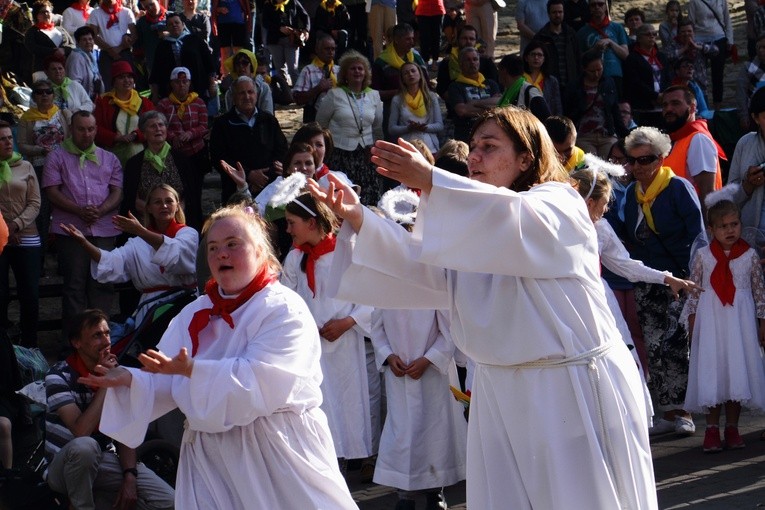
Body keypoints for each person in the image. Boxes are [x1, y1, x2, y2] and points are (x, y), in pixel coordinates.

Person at [309, 106, 658, 509]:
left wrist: (432, 181)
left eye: (489, 147)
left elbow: (513, 220)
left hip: (567, 390)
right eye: (473, 146)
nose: (474, 156)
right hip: (500, 393)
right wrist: (359, 218)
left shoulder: (559, 202)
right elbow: (426, 273)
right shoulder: (472, 227)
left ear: (527, 158)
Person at [80, 205, 359, 509]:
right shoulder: (195, 312)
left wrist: (194, 371)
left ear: (261, 251)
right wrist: (131, 378)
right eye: (213, 248)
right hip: (209, 455)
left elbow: (261, 382)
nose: (221, 254)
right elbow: (168, 376)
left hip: (274, 449)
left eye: (232, 244)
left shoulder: (283, 308)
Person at [370, 189, 467, 510]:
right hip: (400, 371)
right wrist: (387, 355)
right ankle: (403, 493)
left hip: (431, 372)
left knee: (433, 431)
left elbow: (449, 327)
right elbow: (377, 325)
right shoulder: (384, 279)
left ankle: (434, 487)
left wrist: (430, 358)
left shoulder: (433, 277)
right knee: (402, 432)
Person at [280, 192, 375, 473]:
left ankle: (353, 458)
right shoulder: (295, 258)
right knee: (323, 403)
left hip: (346, 342)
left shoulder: (348, 251)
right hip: (314, 345)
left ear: (311, 222)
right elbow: (287, 299)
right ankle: (329, 461)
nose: (287, 229)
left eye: (291, 222)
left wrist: (348, 322)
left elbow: (371, 293)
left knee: (348, 401)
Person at [44, 309, 175, 509]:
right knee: (85, 447)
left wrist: (129, 476)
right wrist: (106, 384)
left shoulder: (118, 373)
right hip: (64, 465)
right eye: (97, 336)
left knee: (169, 501)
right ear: (76, 343)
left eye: (107, 333)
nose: (106, 341)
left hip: (104, 460)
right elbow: (81, 431)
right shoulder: (58, 376)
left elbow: (125, 430)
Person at [621, 126, 704, 437]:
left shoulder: (678, 188)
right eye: (633, 160)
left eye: (646, 159)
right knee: (654, 344)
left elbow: (698, 235)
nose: (638, 166)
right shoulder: (630, 194)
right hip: (647, 279)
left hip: (678, 278)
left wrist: (690, 276)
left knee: (676, 343)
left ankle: (685, 411)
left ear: (661, 158)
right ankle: (668, 411)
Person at [681, 197, 765, 452]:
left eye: (734, 224)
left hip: (739, 323)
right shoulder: (703, 257)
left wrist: (762, 322)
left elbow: (759, 292)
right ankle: (711, 429)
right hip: (712, 322)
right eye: (723, 226)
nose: (730, 230)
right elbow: (693, 291)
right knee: (714, 372)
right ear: (712, 230)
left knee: (736, 372)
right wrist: (692, 321)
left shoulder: (749, 256)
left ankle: (732, 427)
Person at [60, 184, 197, 328]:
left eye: (169, 201)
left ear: (177, 205)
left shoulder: (188, 234)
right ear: (148, 208)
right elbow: (111, 261)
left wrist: (141, 231)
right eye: (157, 202)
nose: (164, 205)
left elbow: (177, 254)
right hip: (151, 309)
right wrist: (84, 242)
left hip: (184, 303)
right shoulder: (136, 243)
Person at [43, 111, 123, 327]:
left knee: (102, 284)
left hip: (104, 228)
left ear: (96, 129)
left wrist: (101, 210)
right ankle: (73, 344)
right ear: (71, 129)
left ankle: (101, 341)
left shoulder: (110, 158)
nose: (86, 134)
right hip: (70, 230)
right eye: (81, 129)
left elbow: (117, 191)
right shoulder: (57, 156)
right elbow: (52, 191)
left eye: (90, 129)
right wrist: (79, 210)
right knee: (74, 286)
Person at [316, 50, 384, 205]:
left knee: (368, 199)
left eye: (360, 68)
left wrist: (377, 151)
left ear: (366, 73)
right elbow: (320, 125)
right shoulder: (334, 95)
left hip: (366, 155)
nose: (357, 71)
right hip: (340, 154)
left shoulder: (374, 95)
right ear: (345, 73)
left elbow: (377, 128)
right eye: (352, 68)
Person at [210, 76, 288, 203]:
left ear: (256, 95)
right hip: (235, 191)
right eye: (242, 93)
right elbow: (218, 158)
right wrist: (248, 175)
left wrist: (264, 177)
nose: (247, 97)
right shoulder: (222, 124)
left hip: (269, 188)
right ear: (234, 97)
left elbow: (282, 151)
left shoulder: (269, 120)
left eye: (250, 92)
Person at [0, 121, 41, 348]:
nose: (8, 142)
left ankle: (30, 345)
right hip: (0, 237)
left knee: (30, 295)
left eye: (9, 137)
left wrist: (15, 225)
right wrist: (5, 228)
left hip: (26, 235)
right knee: (1, 293)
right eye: (2, 138)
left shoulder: (24, 166)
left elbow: (35, 202)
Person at [157, 67, 210, 230]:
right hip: (174, 155)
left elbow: (204, 126)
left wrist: (190, 134)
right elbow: (160, 125)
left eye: (185, 82)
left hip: (196, 153)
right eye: (178, 82)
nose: (181, 85)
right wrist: (174, 137)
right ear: (171, 84)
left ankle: (197, 225)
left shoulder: (198, 102)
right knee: (178, 191)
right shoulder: (164, 104)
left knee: (196, 192)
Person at [661, 85, 725, 218]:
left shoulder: (698, 139)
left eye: (675, 103)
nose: (668, 109)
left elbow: (707, 193)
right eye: (665, 105)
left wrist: (705, 235)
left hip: (694, 227)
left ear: (693, 108)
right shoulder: (677, 138)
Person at [122, 111, 192, 221]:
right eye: (152, 126)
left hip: (179, 220)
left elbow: (190, 195)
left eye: (161, 125)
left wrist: (174, 213)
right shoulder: (134, 164)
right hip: (145, 222)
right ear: (144, 133)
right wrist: (154, 212)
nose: (158, 129)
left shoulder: (181, 160)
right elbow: (131, 198)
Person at [565, 50, 628, 158]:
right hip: (584, 136)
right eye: (592, 71)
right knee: (592, 167)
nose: (597, 74)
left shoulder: (608, 82)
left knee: (608, 166)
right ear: (584, 69)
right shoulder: (574, 86)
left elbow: (614, 110)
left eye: (599, 69)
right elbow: (569, 112)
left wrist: (624, 134)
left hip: (606, 134)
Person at [94, 60, 155, 166]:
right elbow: (95, 128)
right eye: (121, 77)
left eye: (130, 77)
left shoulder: (145, 103)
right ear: (114, 82)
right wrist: (115, 137)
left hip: (141, 157)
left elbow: (154, 126)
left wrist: (136, 135)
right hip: (111, 158)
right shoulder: (103, 102)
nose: (127, 80)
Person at [149, 12, 216, 104]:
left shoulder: (195, 40)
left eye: (177, 23)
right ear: (167, 28)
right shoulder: (162, 46)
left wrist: (212, 84)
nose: (174, 25)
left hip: (197, 88)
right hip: (171, 92)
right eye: (170, 24)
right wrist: (155, 95)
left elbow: (209, 63)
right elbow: (156, 71)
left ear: (183, 25)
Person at [727, 87, 765, 231]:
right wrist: (748, 185)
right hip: (750, 234)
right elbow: (729, 199)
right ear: (755, 118)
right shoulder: (745, 143)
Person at [447, 47, 501, 142]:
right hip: (467, 136)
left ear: (479, 62)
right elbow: (462, 111)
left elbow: (499, 104)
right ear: (460, 64)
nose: (472, 62)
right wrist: (489, 108)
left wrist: (474, 103)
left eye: (475, 59)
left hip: (492, 134)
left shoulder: (491, 83)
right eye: (468, 60)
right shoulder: (455, 86)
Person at [389, 62, 443, 154]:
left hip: (430, 148)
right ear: (403, 79)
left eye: (413, 71)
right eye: (406, 73)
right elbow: (391, 128)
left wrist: (424, 127)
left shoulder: (431, 96)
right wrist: (408, 128)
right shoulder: (397, 99)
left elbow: (439, 125)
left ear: (420, 74)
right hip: (407, 148)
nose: (410, 74)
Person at [576, 0, 629, 94]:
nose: (597, 7)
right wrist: (594, 50)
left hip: (615, 75)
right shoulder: (582, 32)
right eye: (593, 5)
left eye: (600, 4)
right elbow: (579, 59)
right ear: (589, 8)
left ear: (606, 6)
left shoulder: (617, 28)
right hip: (592, 77)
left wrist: (611, 42)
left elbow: (626, 55)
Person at [687, 0, 732, 108]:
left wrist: (730, 39)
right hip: (700, 39)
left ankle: (718, 104)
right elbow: (691, 22)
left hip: (719, 37)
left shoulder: (721, 1)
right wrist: (691, 41)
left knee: (718, 73)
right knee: (699, 74)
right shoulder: (694, 2)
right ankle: (701, 102)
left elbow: (727, 20)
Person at [531, 0, 581, 97]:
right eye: (554, 12)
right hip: (550, 86)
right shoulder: (541, 36)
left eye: (560, 12)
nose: (557, 15)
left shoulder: (571, 34)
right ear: (549, 14)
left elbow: (578, 58)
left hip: (571, 85)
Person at [436, 24, 499, 99]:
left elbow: (497, 87)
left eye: (471, 39)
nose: (468, 41)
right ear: (458, 40)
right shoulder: (447, 62)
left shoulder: (486, 62)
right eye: (464, 38)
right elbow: (442, 90)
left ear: (476, 42)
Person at [623, 24, 669, 128]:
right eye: (648, 34)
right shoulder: (632, 58)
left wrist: (664, 95)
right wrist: (654, 96)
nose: (652, 36)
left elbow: (668, 77)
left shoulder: (661, 56)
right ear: (639, 38)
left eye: (654, 34)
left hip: (662, 106)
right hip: (642, 107)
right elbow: (635, 82)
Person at [87, 0, 137, 90]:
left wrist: (120, 47)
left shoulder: (126, 11)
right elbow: (93, 35)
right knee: (108, 83)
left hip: (124, 52)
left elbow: (134, 34)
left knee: (128, 83)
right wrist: (110, 50)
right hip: (106, 53)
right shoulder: (95, 13)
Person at [260, 0, 310, 85]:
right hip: (275, 41)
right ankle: (285, 92)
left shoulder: (293, 2)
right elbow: (265, 22)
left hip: (291, 40)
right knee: (280, 70)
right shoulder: (268, 5)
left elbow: (305, 16)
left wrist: (306, 30)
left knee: (293, 68)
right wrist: (279, 28)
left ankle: (298, 91)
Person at [293, 33, 339, 123]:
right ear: (317, 50)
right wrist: (318, 89)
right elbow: (298, 99)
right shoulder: (308, 70)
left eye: (333, 49)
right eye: (327, 49)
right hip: (316, 119)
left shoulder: (340, 70)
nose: (330, 52)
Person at [24, 0, 75, 80]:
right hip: (42, 71)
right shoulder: (32, 31)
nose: (46, 14)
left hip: (62, 70)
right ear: (37, 15)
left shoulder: (61, 30)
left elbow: (72, 45)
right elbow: (32, 47)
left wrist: (64, 50)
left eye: (48, 12)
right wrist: (53, 51)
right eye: (42, 12)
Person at [496, 54, 550, 122]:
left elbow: (547, 121)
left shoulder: (531, 93)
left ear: (504, 71)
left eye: (498, 70)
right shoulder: (507, 92)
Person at [221, 49, 274, 114]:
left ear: (252, 65)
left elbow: (268, 115)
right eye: (237, 63)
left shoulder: (263, 88)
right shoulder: (230, 92)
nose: (241, 66)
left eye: (245, 63)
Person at [522, 40, 563, 115]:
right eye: (533, 54)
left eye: (540, 55)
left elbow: (557, 107)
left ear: (544, 59)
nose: (536, 58)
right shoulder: (519, 79)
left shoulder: (552, 81)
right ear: (526, 58)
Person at [211, 0, 250, 76]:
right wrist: (219, 9)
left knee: (239, 51)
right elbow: (213, 7)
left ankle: (240, 75)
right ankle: (226, 76)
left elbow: (247, 7)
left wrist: (247, 18)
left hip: (239, 22)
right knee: (225, 51)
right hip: (223, 23)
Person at [66, 26, 104, 100]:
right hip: (83, 101)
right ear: (77, 42)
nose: (88, 42)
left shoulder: (89, 54)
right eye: (84, 40)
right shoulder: (76, 57)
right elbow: (75, 83)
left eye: (90, 39)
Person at [737, 35, 765, 131]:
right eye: (758, 47)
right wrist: (743, 116)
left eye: (764, 47)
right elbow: (741, 92)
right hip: (756, 114)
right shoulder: (748, 67)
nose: (761, 50)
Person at [133, 0, 167, 75]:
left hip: (172, 62)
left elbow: (185, 35)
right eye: (146, 7)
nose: (150, 8)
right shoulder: (142, 22)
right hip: (153, 65)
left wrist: (169, 34)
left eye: (152, 4)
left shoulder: (171, 17)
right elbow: (137, 44)